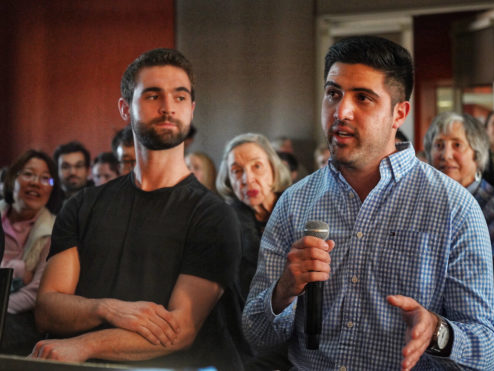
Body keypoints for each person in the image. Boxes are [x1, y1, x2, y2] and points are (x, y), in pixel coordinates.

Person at [242, 36, 494, 370]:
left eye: (363, 98)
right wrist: (284, 292)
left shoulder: (453, 207)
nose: (341, 111)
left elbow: (489, 350)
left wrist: (438, 332)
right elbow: (255, 333)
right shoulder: (296, 201)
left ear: (399, 113)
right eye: (333, 93)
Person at [31, 48, 247, 370]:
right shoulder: (83, 205)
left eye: (180, 97)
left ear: (191, 108)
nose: (167, 107)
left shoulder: (213, 215)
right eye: (152, 96)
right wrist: (108, 308)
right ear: (125, 107)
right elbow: (48, 307)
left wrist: (85, 344)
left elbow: (180, 330)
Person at [424, 112, 494, 370]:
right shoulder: (420, 204)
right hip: (423, 323)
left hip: (492, 332)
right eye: (438, 145)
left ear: (477, 154)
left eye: (456, 145)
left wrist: (444, 320)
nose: (446, 154)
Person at [217, 132, 291, 371]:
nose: (247, 179)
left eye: (257, 166)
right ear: (228, 178)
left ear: (273, 168)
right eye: (236, 171)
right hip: (250, 339)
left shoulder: (297, 207)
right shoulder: (225, 222)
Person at [0, 150, 63, 354]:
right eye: (28, 174)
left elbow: (35, 293)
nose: (36, 182)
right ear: (12, 178)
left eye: (46, 178)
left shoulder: (55, 231)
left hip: (22, 319)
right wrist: (19, 270)